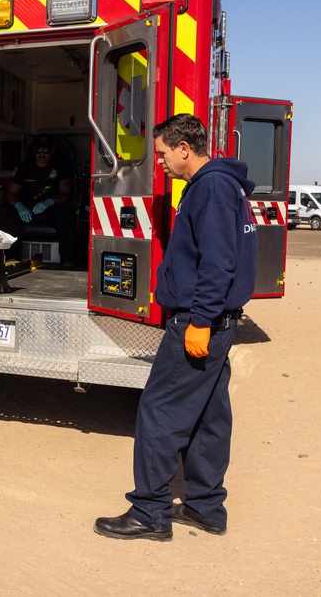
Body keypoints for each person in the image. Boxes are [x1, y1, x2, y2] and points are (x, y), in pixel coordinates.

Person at [94, 113, 257, 541]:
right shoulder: (216, 186)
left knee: (160, 409)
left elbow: (218, 262)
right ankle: (206, 507)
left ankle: (149, 512)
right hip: (214, 320)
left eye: (164, 153)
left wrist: (200, 321)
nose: (160, 162)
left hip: (200, 321)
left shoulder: (213, 188)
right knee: (207, 414)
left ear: (185, 149)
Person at [0, 136, 77, 266]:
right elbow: (11, 193)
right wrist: (19, 206)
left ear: (52, 151)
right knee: (4, 210)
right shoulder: (23, 168)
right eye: (39, 150)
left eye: (46, 150)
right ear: (34, 151)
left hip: (50, 212)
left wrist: (50, 201)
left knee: (67, 210)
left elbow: (65, 193)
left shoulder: (61, 168)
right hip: (26, 212)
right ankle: (11, 258)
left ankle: (67, 259)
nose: (42, 154)